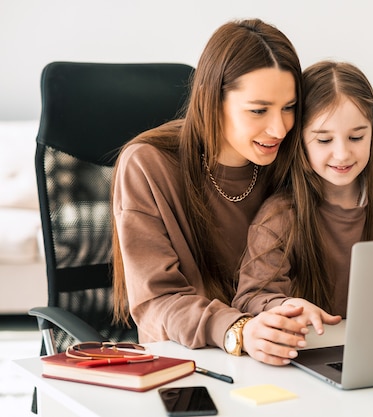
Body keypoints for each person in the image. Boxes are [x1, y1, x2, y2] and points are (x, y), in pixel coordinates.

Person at [111, 18, 310, 366]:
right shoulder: (148, 165)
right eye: (258, 110)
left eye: (289, 107)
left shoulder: (292, 159)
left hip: (283, 355)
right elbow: (156, 301)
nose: (279, 127)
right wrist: (239, 329)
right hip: (189, 362)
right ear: (211, 100)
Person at [233, 60, 373, 335]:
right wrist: (288, 305)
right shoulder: (280, 217)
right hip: (308, 349)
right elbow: (251, 298)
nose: (342, 154)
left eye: (356, 137)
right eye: (324, 140)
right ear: (299, 140)